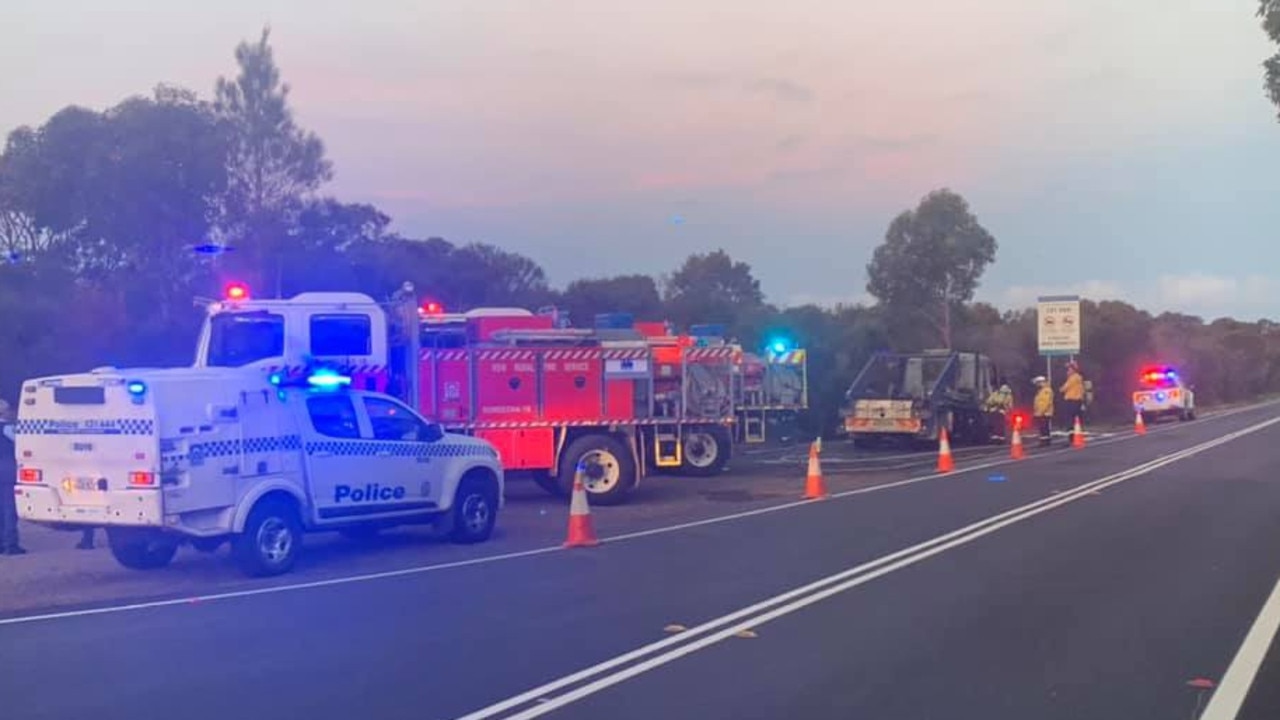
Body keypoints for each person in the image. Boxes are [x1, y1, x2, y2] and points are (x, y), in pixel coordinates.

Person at [0, 399, 25, 555]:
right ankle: (11, 544)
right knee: (10, 509)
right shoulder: (8, 428)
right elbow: (21, 444)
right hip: (8, 471)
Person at [1060, 361, 1086, 441]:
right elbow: (1082, 391)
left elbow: (1064, 388)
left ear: (1073, 370)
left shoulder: (1073, 378)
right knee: (1075, 419)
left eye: (1069, 369)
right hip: (1077, 401)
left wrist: (1061, 389)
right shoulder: (1079, 378)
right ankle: (1075, 435)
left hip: (1071, 401)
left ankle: (1071, 438)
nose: (1067, 371)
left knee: (1070, 419)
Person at [1033, 376, 1054, 447]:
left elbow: (1046, 402)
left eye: (1037, 383)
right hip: (1040, 412)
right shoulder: (1041, 391)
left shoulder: (1046, 390)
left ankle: (1045, 441)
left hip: (1045, 413)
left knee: (1044, 428)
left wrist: (1040, 412)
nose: (1037, 385)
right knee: (1042, 428)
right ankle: (1044, 441)